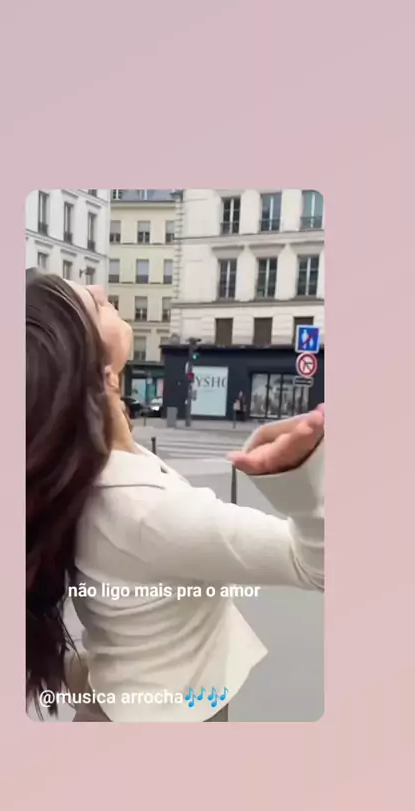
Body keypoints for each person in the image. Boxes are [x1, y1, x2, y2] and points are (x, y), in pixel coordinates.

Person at [26, 271, 325, 723]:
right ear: (100, 376)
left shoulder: (81, 475)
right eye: (91, 303)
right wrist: (297, 481)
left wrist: (97, 678)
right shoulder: (149, 509)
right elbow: (313, 566)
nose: (102, 290)